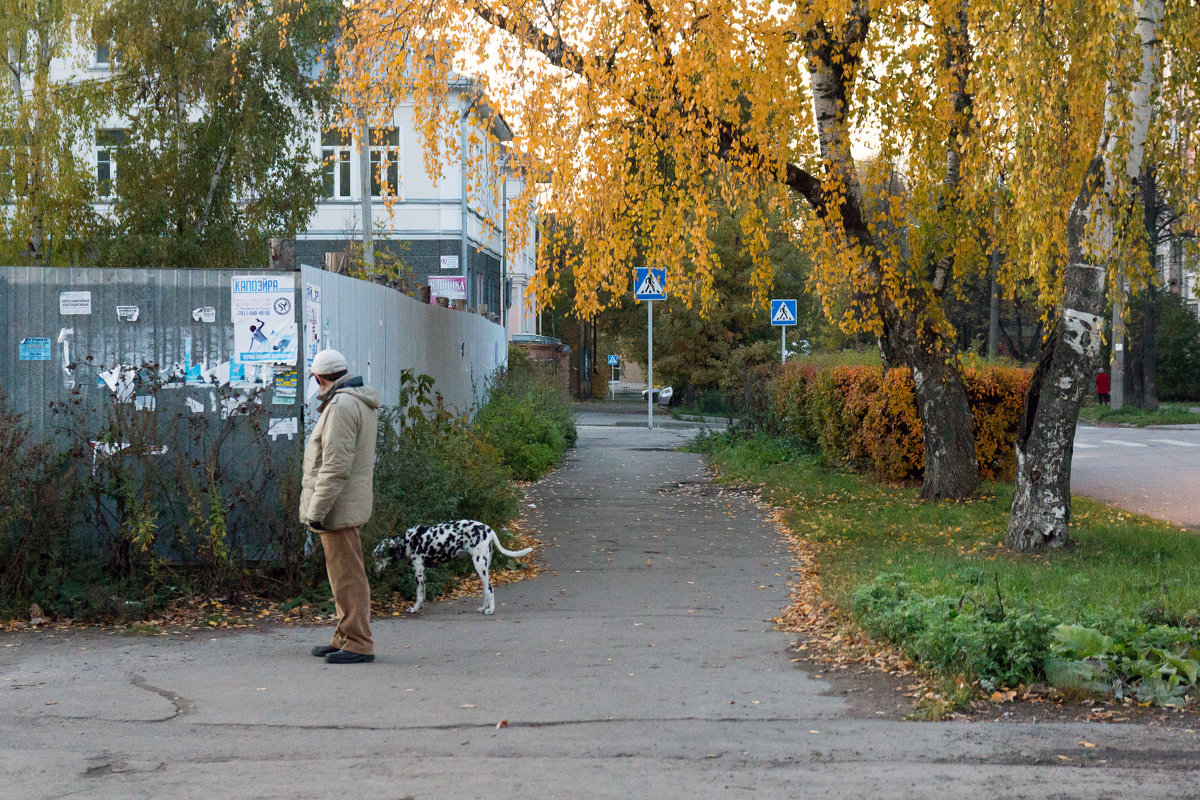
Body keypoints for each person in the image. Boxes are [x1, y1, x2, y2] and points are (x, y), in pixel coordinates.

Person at [299, 349, 380, 664]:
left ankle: (358, 642)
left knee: (348, 577)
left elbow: (334, 467)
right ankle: (345, 636)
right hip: (345, 503)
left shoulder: (342, 407)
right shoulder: (352, 401)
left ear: (319, 378)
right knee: (344, 575)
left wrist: (315, 512)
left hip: (338, 507)